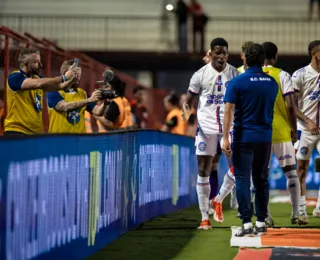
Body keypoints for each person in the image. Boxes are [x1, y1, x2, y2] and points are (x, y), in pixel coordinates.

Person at [181, 38, 238, 230]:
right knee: (203, 170)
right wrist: (186, 111)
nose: (221, 56)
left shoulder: (234, 73)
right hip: (206, 129)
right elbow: (188, 99)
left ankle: (218, 199)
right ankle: (204, 218)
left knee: (239, 168)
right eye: (218, 52)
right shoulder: (200, 75)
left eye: (224, 53)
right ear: (211, 53)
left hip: (228, 128)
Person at [222, 43, 278, 237]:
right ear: (263, 60)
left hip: (243, 137)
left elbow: (228, 110)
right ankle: (261, 222)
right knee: (261, 180)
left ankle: (246, 224)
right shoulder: (272, 83)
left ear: (245, 58)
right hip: (265, 138)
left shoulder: (237, 82)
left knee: (243, 179)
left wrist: (224, 138)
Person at [4, 48, 79, 135]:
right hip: (17, 132)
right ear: (26, 63)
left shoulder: (37, 78)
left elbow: (59, 86)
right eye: (36, 62)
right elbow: (38, 84)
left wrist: (72, 79)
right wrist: (64, 77)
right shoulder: (15, 78)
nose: (41, 65)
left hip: (35, 133)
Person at [293, 40, 320, 223]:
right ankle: (301, 211)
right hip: (305, 130)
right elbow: (292, 107)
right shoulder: (300, 75)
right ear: (314, 54)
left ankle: (319, 208)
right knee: (301, 169)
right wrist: (307, 120)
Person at [47, 60, 107, 133]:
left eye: (79, 75)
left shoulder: (82, 93)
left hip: (79, 139)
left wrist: (106, 102)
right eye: (75, 73)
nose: (78, 78)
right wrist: (89, 100)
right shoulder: (54, 91)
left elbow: (98, 112)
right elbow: (65, 107)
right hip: (59, 139)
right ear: (64, 72)